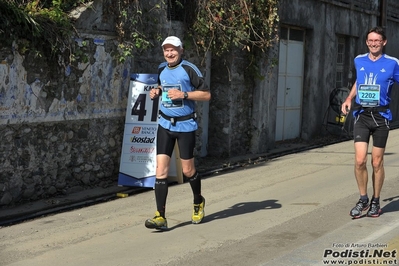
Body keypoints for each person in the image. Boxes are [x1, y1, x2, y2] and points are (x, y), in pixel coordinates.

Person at [145, 36, 211, 230]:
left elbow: (206, 94)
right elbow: (161, 85)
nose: (169, 53)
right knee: (161, 171)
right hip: (165, 123)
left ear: (181, 50)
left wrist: (184, 95)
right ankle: (160, 216)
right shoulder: (161, 68)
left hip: (185, 126)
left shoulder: (189, 69)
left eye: (173, 49)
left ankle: (198, 202)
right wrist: (156, 91)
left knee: (187, 171)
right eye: (166, 50)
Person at [341, 26, 399, 219]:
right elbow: (359, 81)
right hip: (362, 115)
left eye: (377, 41)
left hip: (382, 117)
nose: (373, 44)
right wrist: (349, 98)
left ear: (384, 42)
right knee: (359, 160)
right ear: (367, 42)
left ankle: (376, 200)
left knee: (376, 162)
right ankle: (363, 198)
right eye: (370, 41)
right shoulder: (359, 60)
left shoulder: (392, 63)